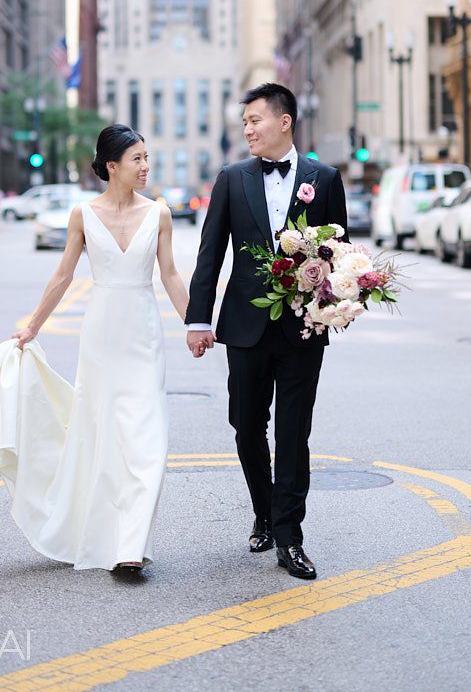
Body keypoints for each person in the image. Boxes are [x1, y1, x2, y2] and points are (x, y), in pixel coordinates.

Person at [0, 124, 189, 573]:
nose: (146, 167)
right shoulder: (82, 214)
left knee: (147, 438)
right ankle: (108, 540)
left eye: (147, 157)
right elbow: (62, 277)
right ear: (111, 166)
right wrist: (32, 327)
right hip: (100, 338)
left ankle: (131, 547)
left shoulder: (159, 214)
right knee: (102, 437)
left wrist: (195, 324)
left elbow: (170, 275)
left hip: (143, 336)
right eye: (137, 159)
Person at [185, 82, 348, 581]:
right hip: (246, 325)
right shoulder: (232, 179)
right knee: (246, 423)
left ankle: (290, 536)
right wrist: (198, 318)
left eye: (255, 121)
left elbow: (339, 251)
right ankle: (263, 510)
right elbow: (210, 253)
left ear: (284, 121)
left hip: (302, 327)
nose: (248, 130)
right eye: (244, 123)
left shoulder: (325, 177)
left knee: (295, 431)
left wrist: (337, 301)